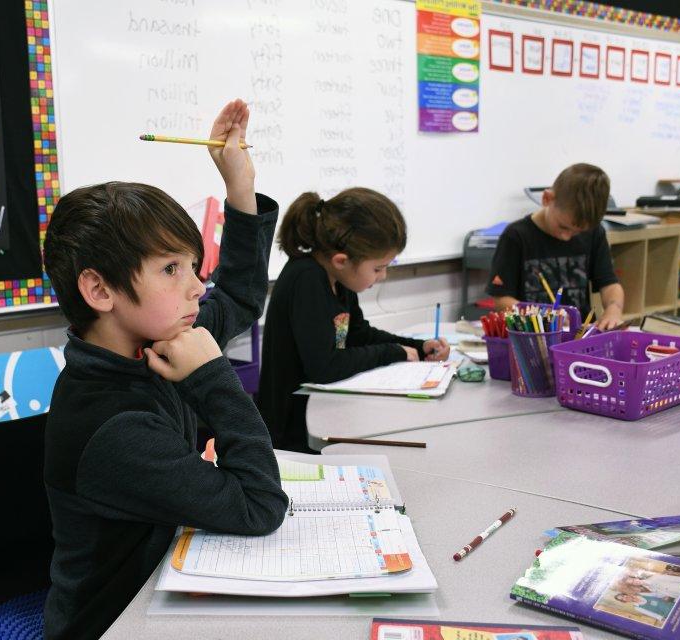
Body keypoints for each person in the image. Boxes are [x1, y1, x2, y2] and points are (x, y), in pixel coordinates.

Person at [41, 100, 289, 640]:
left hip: (163, 586)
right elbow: (260, 506)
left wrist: (239, 185)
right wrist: (213, 378)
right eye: (171, 269)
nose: (198, 287)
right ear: (100, 290)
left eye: (192, 266)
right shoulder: (114, 424)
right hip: (113, 623)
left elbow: (242, 296)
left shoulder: (154, 341)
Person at [257, 188, 450, 452]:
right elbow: (324, 367)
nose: (383, 277)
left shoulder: (337, 277)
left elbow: (358, 334)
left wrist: (416, 346)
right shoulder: (307, 279)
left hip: (322, 416)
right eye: (378, 268)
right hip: (291, 435)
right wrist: (394, 352)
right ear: (342, 260)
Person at [487, 163, 624, 329]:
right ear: (547, 199)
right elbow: (501, 300)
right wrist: (544, 317)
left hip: (578, 336)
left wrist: (613, 310)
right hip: (533, 336)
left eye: (577, 232)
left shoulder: (594, 233)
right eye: (563, 227)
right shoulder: (516, 237)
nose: (567, 237)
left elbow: (609, 284)